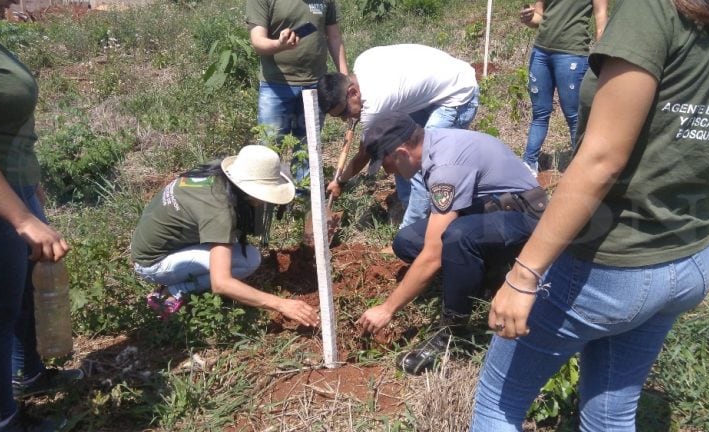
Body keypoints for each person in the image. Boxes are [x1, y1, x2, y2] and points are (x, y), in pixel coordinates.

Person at [472, 0, 709, 430]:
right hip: (688, 254)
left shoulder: (653, 9)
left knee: (498, 403)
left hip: (613, 263)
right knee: (610, 414)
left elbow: (602, 158)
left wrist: (524, 273)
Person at [355, 112, 546, 375]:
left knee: (457, 237)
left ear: (401, 152)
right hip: (489, 211)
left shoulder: (446, 167)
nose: (389, 172)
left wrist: (387, 309)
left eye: (387, 164)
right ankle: (480, 276)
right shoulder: (434, 145)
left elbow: (434, 254)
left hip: (525, 218)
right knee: (407, 241)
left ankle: (451, 333)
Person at [0, 1, 83, 430]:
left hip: (14, 186)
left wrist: (30, 184)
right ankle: (3, 418)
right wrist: (22, 217)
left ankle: (27, 375)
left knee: (21, 293)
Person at [131, 145, 319, 327]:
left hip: (152, 244)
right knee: (248, 260)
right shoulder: (220, 211)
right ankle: (172, 292)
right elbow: (221, 283)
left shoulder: (216, 175)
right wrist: (282, 304)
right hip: (153, 263)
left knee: (238, 253)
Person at [317, 44, 480, 228]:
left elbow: (364, 154)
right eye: (339, 117)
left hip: (457, 94)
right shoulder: (363, 61)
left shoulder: (375, 105)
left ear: (353, 92)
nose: (345, 119)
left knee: (420, 163)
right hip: (432, 90)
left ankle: (414, 229)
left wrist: (341, 181)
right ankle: (408, 205)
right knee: (398, 148)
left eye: (344, 112)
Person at [245, 0, 348, 184]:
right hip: (276, 86)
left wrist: (344, 79)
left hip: (315, 85)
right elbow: (257, 42)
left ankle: (305, 201)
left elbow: (334, 37)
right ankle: (266, 202)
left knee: (309, 150)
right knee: (269, 151)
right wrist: (280, 44)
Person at [519, 0, 608, 175]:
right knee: (540, 113)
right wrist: (528, 18)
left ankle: (581, 169)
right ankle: (529, 163)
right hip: (540, 53)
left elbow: (601, 17)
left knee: (574, 116)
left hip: (572, 54)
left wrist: (603, 58)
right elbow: (539, 16)